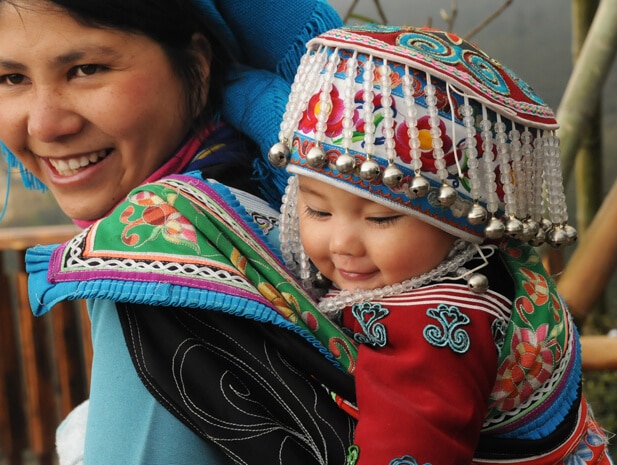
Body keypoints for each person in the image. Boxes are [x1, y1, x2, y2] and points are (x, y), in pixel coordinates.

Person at [0, 1, 360, 464]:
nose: (46, 124)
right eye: (12, 78)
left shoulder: (150, 257)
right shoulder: (299, 218)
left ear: (196, 64)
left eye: (86, 69)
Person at [268, 24, 615, 465]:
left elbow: (407, 451)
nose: (340, 243)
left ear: (460, 228)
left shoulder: (438, 325)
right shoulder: (485, 266)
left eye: (381, 218)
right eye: (317, 211)